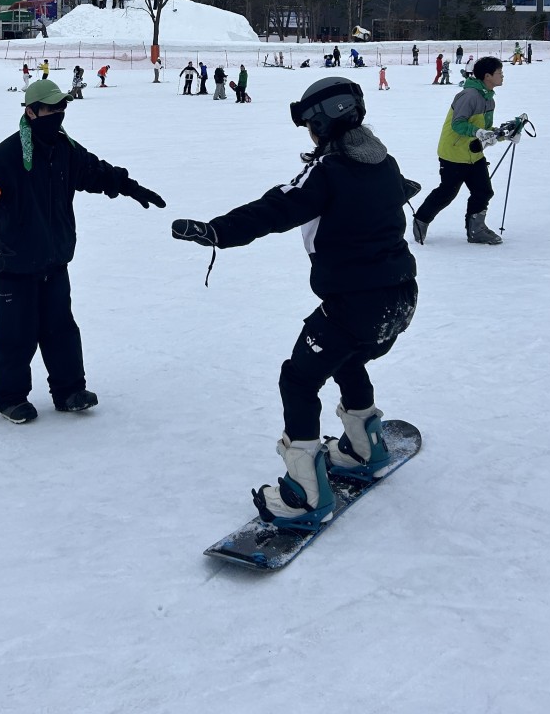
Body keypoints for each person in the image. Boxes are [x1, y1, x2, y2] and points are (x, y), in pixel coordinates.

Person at [171, 76, 418, 527]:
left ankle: (306, 496)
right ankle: (365, 446)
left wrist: (219, 231)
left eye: (308, 123)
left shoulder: (327, 172)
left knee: (299, 381)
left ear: (321, 122)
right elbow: (393, 187)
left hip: (353, 305)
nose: (307, 132)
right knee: (348, 361)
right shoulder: (383, 162)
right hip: (399, 301)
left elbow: (277, 208)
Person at [0, 78, 166, 423]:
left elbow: (95, 172)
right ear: (31, 112)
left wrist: (129, 186)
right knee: (15, 335)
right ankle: (10, 398)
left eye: (62, 108)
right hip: (13, 266)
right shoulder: (5, 157)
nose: (58, 114)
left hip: (54, 261)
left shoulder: (65, 150)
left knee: (61, 330)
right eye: (51, 108)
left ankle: (69, 390)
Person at [413, 57, 507, 247]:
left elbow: (485, 129)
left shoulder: (489, 99)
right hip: (454, 153)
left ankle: (476, 230)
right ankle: (421, 220)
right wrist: (478, 132)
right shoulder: (469, 96)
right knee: (447, 192)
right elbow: (458, 124)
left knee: (483, 191)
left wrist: (504, 133)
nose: (502, 76)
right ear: (487, 76)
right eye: (499, 73)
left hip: (474, 154)